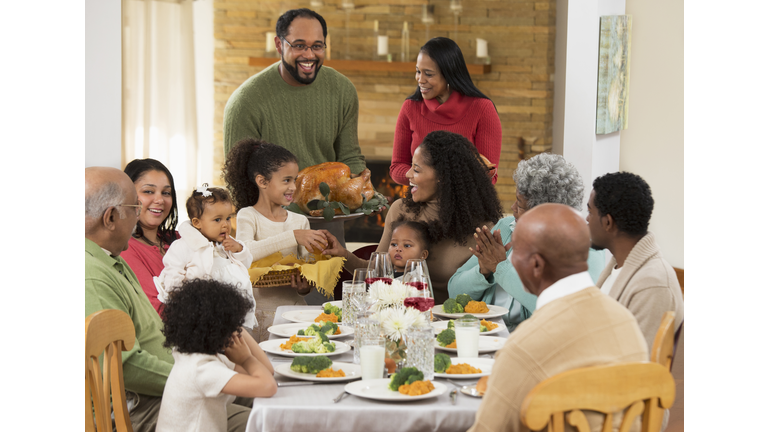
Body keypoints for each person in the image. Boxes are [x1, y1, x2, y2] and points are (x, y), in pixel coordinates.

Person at [85, 167, 252, 431]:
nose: (138, 214)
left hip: (174, 378)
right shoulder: (91, 276)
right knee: (262, 421)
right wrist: (196, 379)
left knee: (267, 395)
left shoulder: (111, 257)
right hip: (141, 405)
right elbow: (122, 366)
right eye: (134, 206)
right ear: (111, 217)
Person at [467, 203, 648, 432]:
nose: (508, 261)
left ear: (535, 264)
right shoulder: (626, 321)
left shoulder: (525, 346)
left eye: (513, 254)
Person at [322, 130, 504, 304]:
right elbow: (378, 271)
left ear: (442, 177)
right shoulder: (401, 210)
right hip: (402, 318)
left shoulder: (483, 229)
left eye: (416, 170)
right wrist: (343, 254)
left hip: (452, 321)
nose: (408, 174)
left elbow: (486, 291)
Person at [448, 153, 605, 332]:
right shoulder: (506, 228)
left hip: (534, 345)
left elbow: (563, 312)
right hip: (483, 335)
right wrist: (483, 271)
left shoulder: (587, 250)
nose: (513, 208)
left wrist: (500, 268)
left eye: (520, 204)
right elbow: (454, 290)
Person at [222, 8, 366, 175]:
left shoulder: (343, 89)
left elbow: (350, 158)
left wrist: (363, 191)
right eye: (299, 45)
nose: (309, 55)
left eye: (317, 46)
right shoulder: (245, 102)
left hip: (331, 200)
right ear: (279, 45)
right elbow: (237, 179)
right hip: (272, 202)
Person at [223, 138, 328, 340]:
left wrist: (306, 286)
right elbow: (246, 252)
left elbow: (308, 270)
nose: (293, 187)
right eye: (286, 180)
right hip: (258, 315)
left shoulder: (300, 221)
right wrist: (293, 237)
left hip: (294, 313)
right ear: (262, 181)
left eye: (295, 180)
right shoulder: (248, 215)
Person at [157, 279, 277, 432]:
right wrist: (246, 359)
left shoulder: (193, 356)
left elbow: (267, 371)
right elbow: (268, 386)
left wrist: (233, 324)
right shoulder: (202, 370)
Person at [587, 172, 684, 349]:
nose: (586, 219)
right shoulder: (618, 266)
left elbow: (637, 369)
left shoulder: (654, 285)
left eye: (590, 212)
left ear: (608, 222)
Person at [389, 37, 502, 185]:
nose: (420, 79)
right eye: (418, 71)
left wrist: (436, 181)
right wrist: (422, 178)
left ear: (449, 74)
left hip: (464, 204)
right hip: (419, 201)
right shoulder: (410, 107)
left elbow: (489, 175)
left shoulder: (482, 109)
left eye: (428, 74)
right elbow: (397, 167)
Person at [154, 185, 258, 331]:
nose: (225, 225)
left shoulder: (226, 245)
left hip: (232, 308)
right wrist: (178, 296)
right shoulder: (185, 245)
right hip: (201, 310)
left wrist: (239, 249)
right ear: (197, 223)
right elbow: (173, 271)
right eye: (217, 220)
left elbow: (246, 264)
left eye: (228, 218)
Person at [121, 158, 179, 315]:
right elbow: (157, 311)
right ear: (127, 194)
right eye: (148, 191)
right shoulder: (124, 248)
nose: (160, 200)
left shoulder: (180, 239)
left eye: (166, 193)